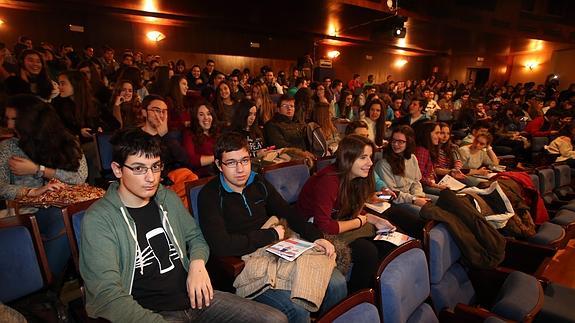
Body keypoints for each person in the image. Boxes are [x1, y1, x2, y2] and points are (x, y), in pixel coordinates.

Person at [79, 128, 286, 322]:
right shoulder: (99, 219)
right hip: (150, 312)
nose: (151, 178)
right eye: (139, 168)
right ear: (117, 169)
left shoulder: (166, 198)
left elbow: (196, 237)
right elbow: (107, 296)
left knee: (276, 319)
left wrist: (196, 264)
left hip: (196, 297)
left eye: (156, 167)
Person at [198, 132, 346, 323]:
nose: (241, 169)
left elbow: (287, 212)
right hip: (246, 259)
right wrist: (269, 235)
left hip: (278, 246)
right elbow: (221, 245)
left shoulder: (257, 181)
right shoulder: (209, 195)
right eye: (231, 163)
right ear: (219, 165)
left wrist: (316, 236)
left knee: (337, 283)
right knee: (297, 309)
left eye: (244, 160)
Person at [298, 135, 403, 292]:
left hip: (339, 220)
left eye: (370, 157)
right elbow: (324, 225)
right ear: (348, 158)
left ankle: (382, 290)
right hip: (312, 230)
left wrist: (373, 219)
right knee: (367, 252)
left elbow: (353, 208)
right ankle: (356, 298)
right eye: (363, 158)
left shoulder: (357, 178)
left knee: (389, 234)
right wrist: (362, 221)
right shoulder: (328, 181)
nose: (370, 163)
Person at [0, 95, 88, 276]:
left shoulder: (65, 141)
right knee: (63, 219)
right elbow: (1, 187)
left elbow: (79, 176)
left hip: (66, 202)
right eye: (7, 118)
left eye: (15, 119)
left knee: (85, 214)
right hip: (30, 209)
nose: (9, 125)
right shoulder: (8, 147)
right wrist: (32, 191)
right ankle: (46, 283)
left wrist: (39, 170)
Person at [374, 125, 431, 228]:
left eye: (400, 141)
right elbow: (392, 194)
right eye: (393, 141)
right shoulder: (384, 164)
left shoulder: (412, 158)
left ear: (408, 142)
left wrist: (418, 195)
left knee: (441, 204)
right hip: (396, 202)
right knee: (426, 215)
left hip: (411, 196)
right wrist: (413, 199)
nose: (396, 144)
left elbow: (416, 182)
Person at [182, 102, 219, 177]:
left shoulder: (216, 132)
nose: (206, 118)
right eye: (201, 115)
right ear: (196, 118)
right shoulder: (189, 134)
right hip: (202, 176)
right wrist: (216, 157)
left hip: (220, 171)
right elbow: (191, 160)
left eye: (208, 114)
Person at [414, 122, 448, 195]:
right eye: (437, 133)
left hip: (430, 184)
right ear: (427, 134)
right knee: (448, 194)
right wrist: (436, 185)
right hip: (423, 187)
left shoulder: (429, 149)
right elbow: (419, 177)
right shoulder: (422, 151)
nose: (440, 137)